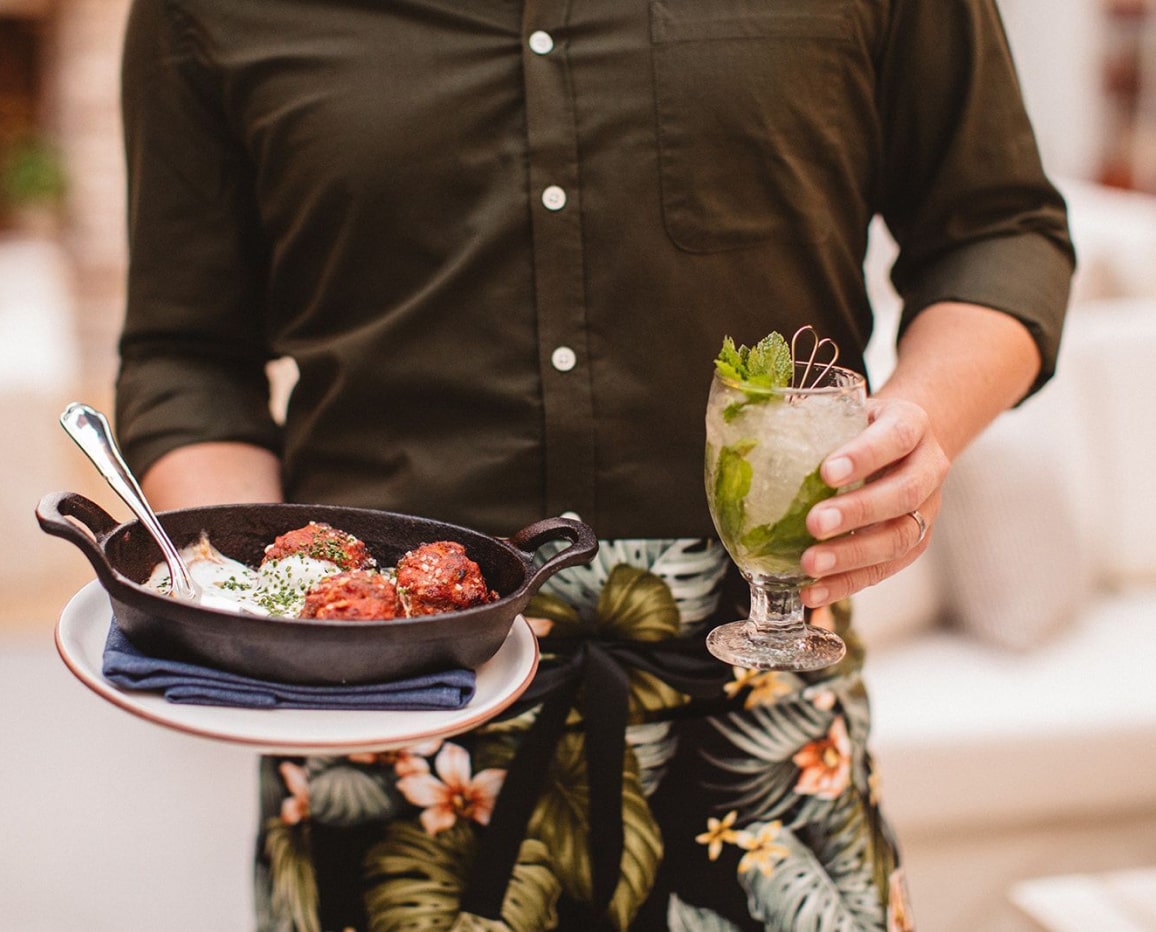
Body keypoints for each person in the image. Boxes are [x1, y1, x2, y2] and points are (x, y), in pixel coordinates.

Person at [113, 0, 1073, 929]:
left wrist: (914, 428)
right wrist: (257, 613)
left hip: (762, 700)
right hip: (375, 724)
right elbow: (187, 355)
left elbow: (998, 231)